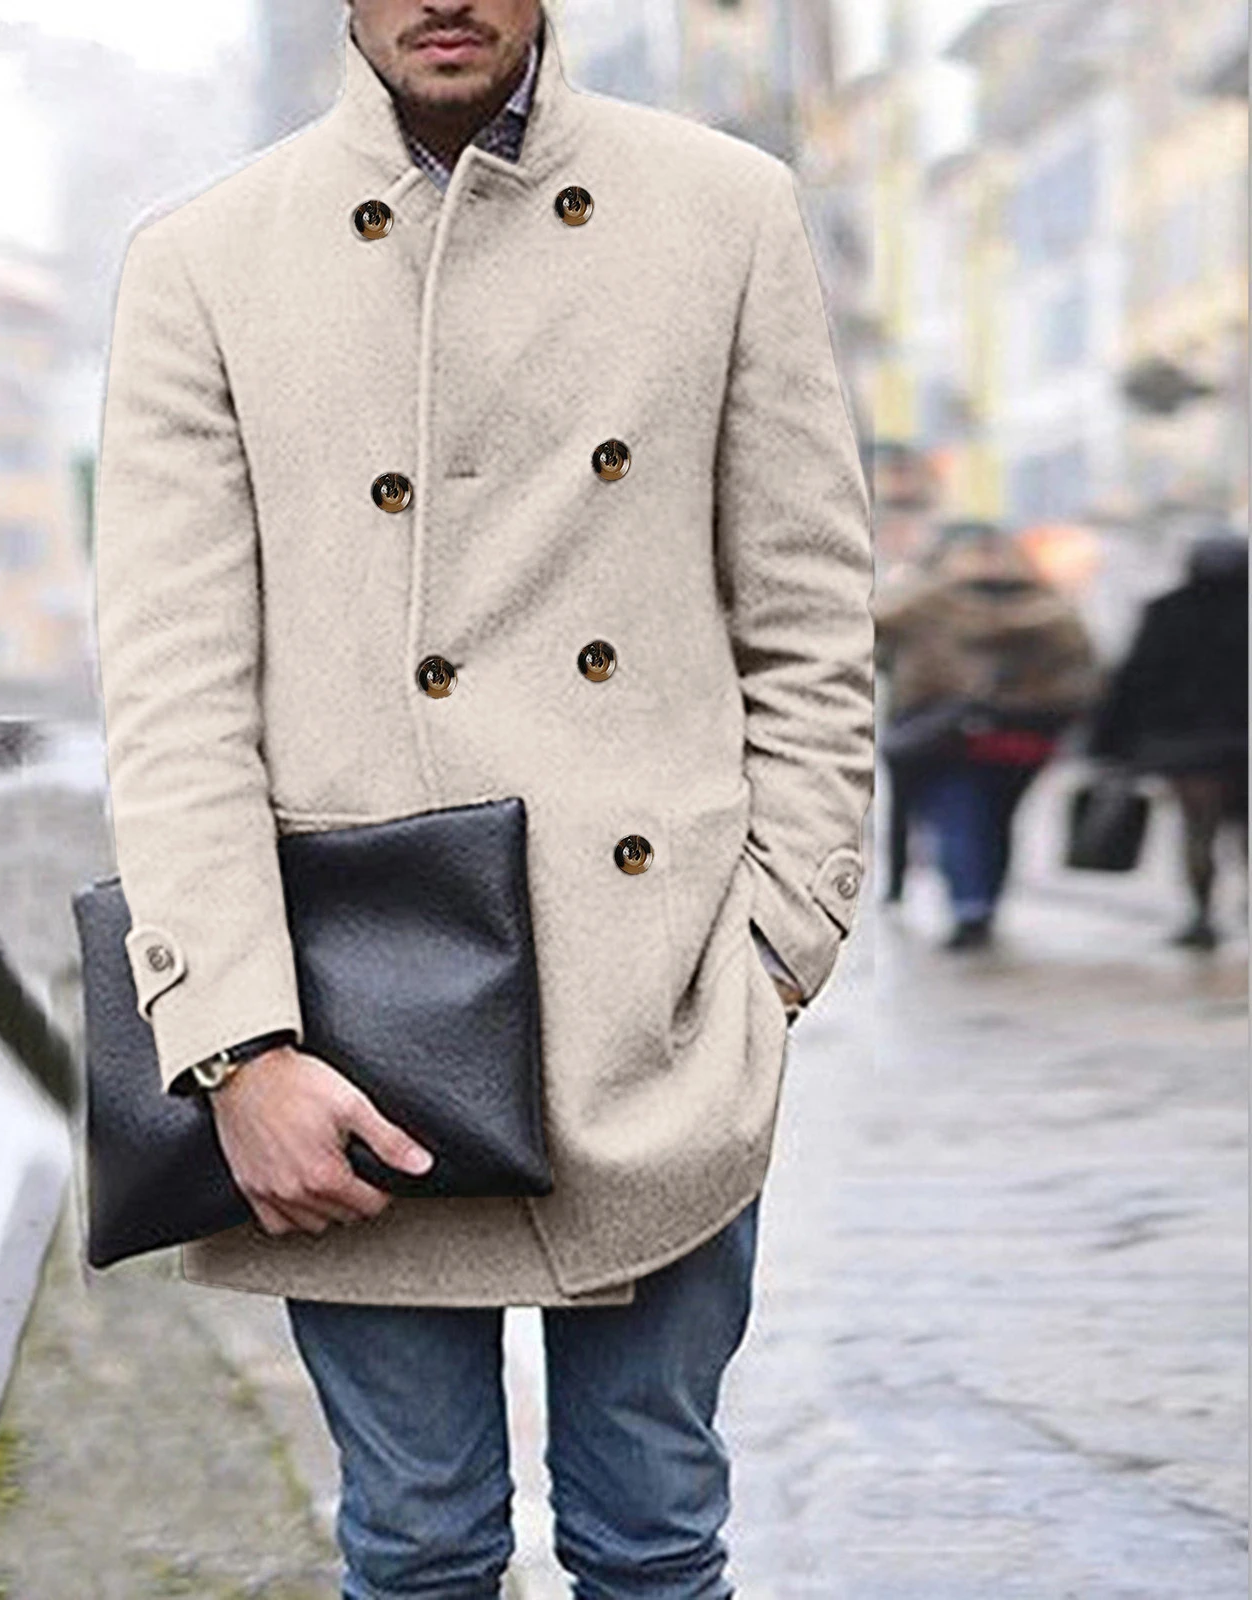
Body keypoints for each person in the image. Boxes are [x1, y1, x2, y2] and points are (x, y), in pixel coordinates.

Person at [92, 2, 875, 1593]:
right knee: (418, 1542)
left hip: (659, 995)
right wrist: (237, 1042)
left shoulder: (725, 211)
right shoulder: (206, 259)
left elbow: (808, 612)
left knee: (655, 1536)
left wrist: (777, 944)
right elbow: (175, 696)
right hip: (356, 1016)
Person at [874, 524, 1097, 949]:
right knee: (997, 819)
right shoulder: (1050, 610)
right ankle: (984, 901)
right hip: (1024, 734)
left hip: (944, 730)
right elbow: (1084, 671)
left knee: (957, 818)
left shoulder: (926, 603)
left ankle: (970, 905)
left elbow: (868, 630)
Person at [1087, 530, 1249, 949]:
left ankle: (1202, 916)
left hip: (1189, 747)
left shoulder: (1167, 611)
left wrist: (1108, 743)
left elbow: (1133, 681)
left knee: (1198, 831)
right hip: (1232, 744)